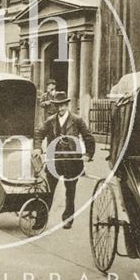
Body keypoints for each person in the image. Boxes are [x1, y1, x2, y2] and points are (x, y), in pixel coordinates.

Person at [33, 91, 95, 229]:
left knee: (70, 192)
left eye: (63, 105)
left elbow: (88, 137)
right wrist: (38, 148)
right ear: (55, 106)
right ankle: (41, 220)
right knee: (48, 191)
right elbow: (38, 134)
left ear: (67, 105)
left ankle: (68, 219)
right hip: (54, 161)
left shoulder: (77, 120)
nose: (61, 108)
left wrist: (88, 154)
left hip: (72, 162)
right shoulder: (50, 121)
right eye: (58, 106)